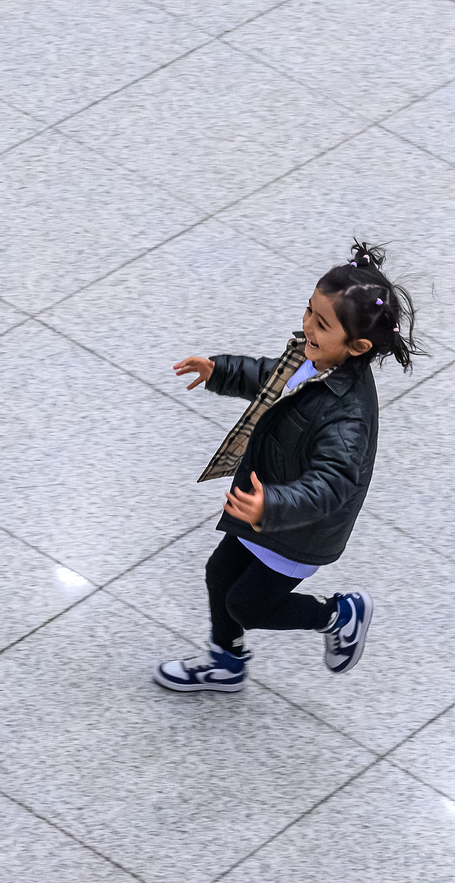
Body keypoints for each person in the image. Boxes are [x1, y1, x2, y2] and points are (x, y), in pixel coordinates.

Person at [154, 242, 422, 693]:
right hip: (266, 505)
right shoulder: (313, 357)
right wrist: (219, 371)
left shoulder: (348, 416)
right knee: (219, 574)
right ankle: (226, 663)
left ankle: (338, 614)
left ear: (356, 346)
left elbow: (332, 484)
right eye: (308, 312)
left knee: (249, 606)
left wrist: (272, 506)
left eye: (321, 324)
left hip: (300, 527)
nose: (307, 327)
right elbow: (269, 376)